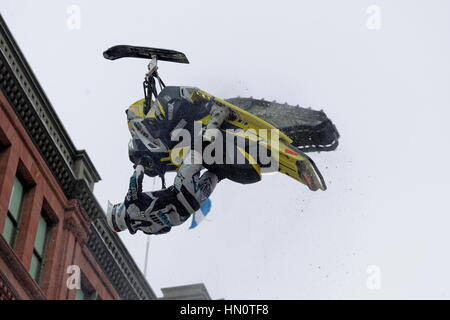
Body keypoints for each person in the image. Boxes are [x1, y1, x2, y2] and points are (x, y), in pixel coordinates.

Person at [106, 86, 229, 235]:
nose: (119, 205)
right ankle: (218, 116)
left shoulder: (147, 230)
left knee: (219, 172)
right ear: (117, 215)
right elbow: (135, 180)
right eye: (117, 206)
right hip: (181, 190)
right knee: (198, 151)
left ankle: (231, 146)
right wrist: (142, 163)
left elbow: (166, 229)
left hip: (191, 207)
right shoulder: (130, 206)